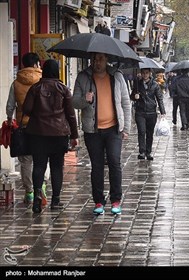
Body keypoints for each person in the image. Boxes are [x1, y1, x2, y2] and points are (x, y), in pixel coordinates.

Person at [72, 52, 131, 215]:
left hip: (113, 129)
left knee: (114, 162)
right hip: (93, 130)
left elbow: (126, 102)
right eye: (94, 59)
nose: (97, 62)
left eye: (100, 59)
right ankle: (98, 201)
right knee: (96, 166)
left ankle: (116, 200)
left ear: (106, 60)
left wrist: (126, 128)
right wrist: (85, 99)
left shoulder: (117, 76)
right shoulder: (83, 77)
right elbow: (74, 102)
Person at [23, 59, 79, 213]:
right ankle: (55, 200)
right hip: (58, 134)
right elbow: (71, 115)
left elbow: (26, 109)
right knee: (56, 167)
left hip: (37, 133)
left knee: (39, 165)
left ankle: (36, 198)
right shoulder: (63, 89)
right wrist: (74, 134)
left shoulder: (35, 88)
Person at [6, 52, 48, 206]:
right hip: (42, 124)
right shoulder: (43, 81)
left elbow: (10, 105)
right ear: (37, 64)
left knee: (25, 160)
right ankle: (41, 185)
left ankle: (29, 192)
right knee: (41, 157)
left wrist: (10, 119)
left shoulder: (16, 83)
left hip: (24, 125)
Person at [131, 68, 166, 160]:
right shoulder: (137, 84)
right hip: (140, 112)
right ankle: (142, 152)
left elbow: (159, 98)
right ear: (141, 74)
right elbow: (132, 96)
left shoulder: (155, 85)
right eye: (143, 73)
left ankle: (148, 152)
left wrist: (163, 112)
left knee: (149, 133)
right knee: (142, 131)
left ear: (150, 73)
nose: (145, 75)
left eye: (147, 73)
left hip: (151, 112)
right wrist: (135, 96)